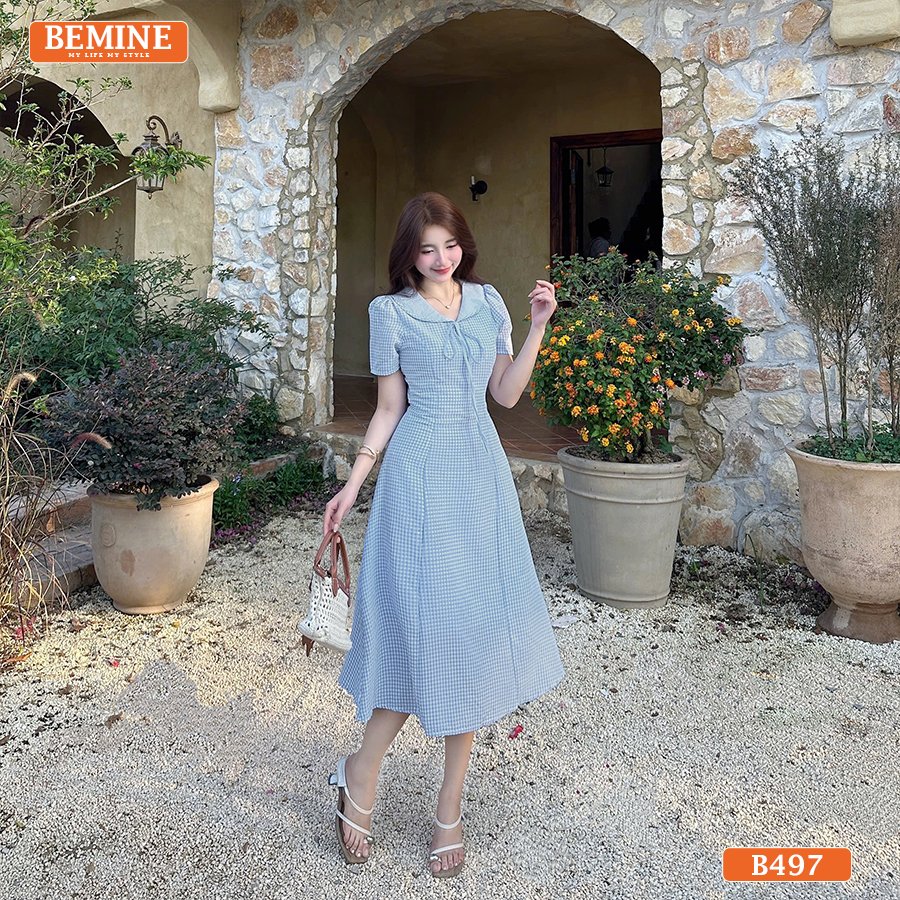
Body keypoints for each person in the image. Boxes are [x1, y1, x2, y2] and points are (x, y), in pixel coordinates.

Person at [322, 192, 565, 878]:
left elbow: (506, 394)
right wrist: (353, 485)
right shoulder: (390, 313)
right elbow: (388, 409)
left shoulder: (488, 303)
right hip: (418, 480)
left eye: (450, 245)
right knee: (420, 630)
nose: (441, 259)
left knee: (470, 636)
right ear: (409, 253)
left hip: (480, 478)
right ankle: (362, 769)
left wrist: (537, 327)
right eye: (427, 248)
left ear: (463, 245)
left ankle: (449, 805)